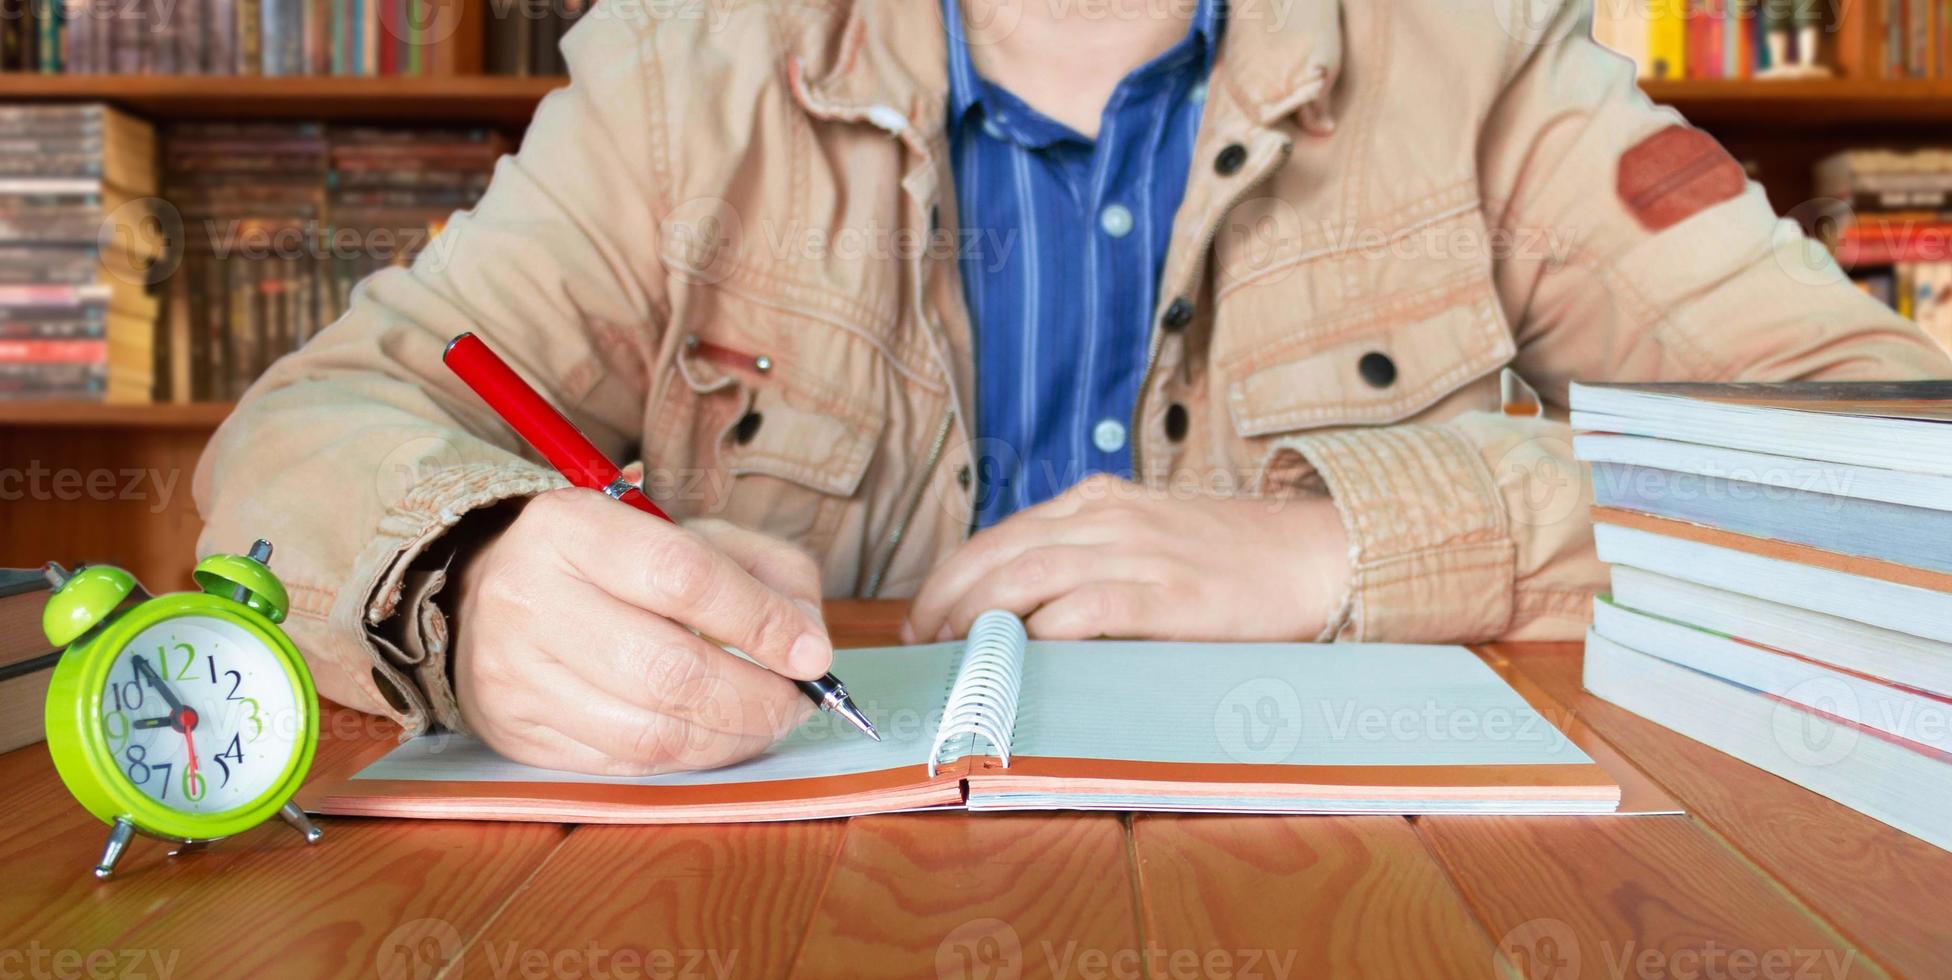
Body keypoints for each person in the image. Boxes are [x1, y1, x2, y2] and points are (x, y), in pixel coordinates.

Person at [195, 0, 1951, 775]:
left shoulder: (1491, 63)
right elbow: (309, 432)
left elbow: (1896, 460)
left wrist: (1356, 546)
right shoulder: (679, 73)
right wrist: (470, 571)